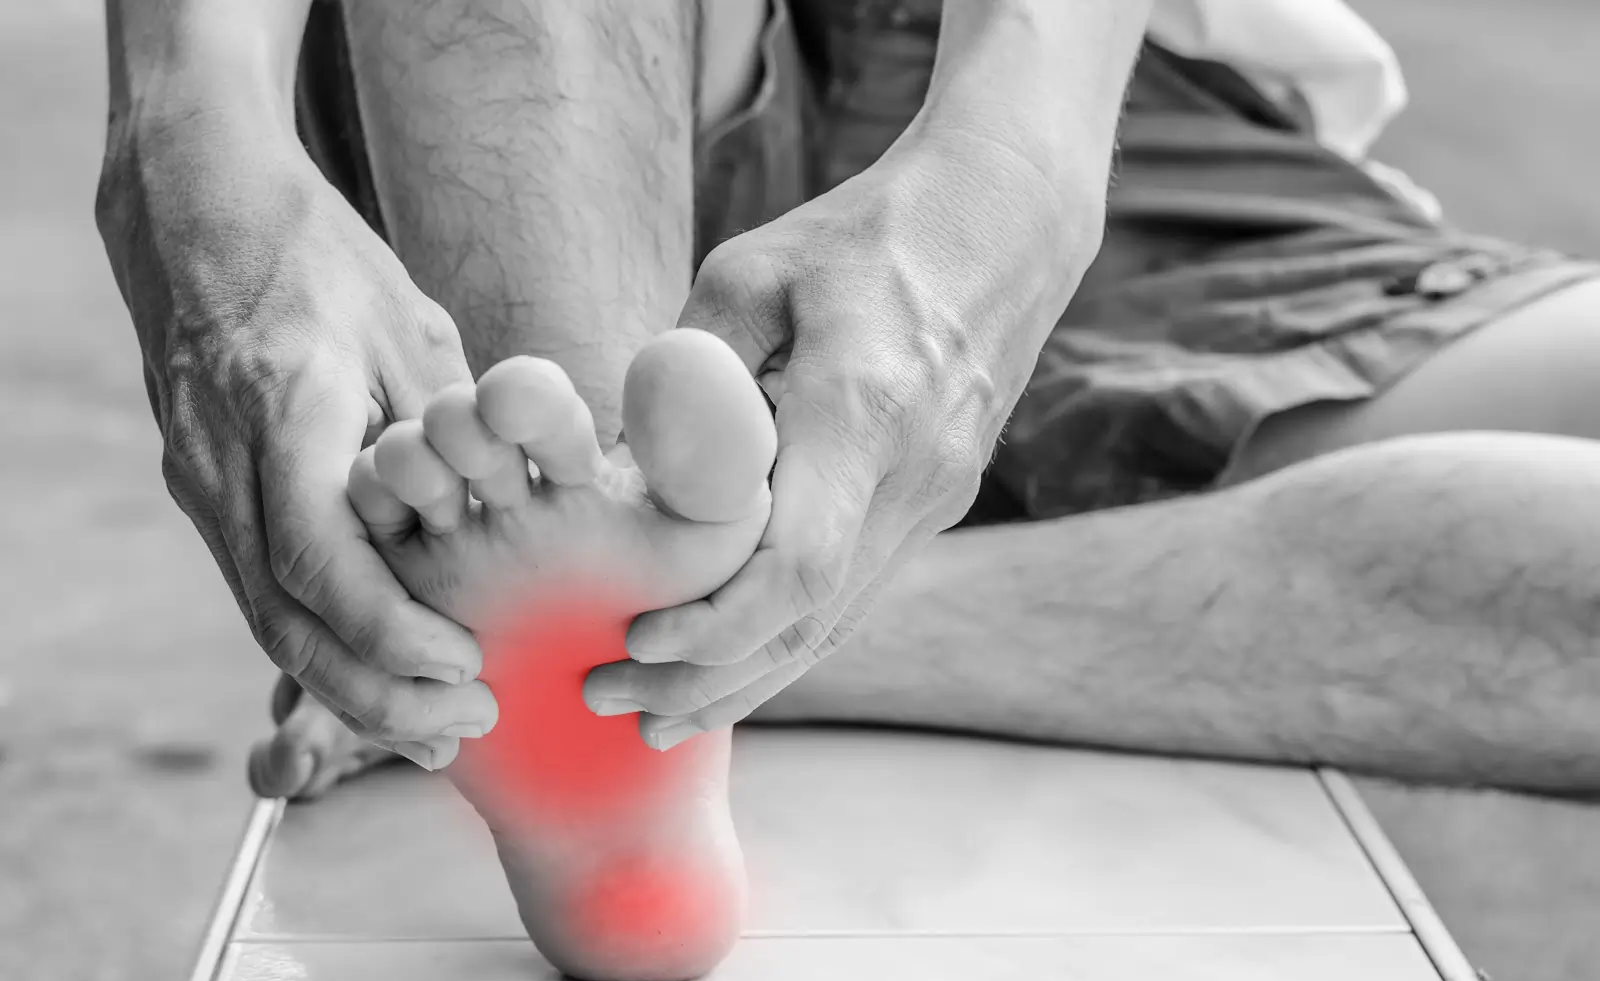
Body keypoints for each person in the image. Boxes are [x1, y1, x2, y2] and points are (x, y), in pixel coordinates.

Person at [98, 0, 1600, 809]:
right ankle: (634, 721)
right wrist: (195, 136)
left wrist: (1015, 170)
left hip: (1096, 94)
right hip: (585, 82)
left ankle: (632, 651)